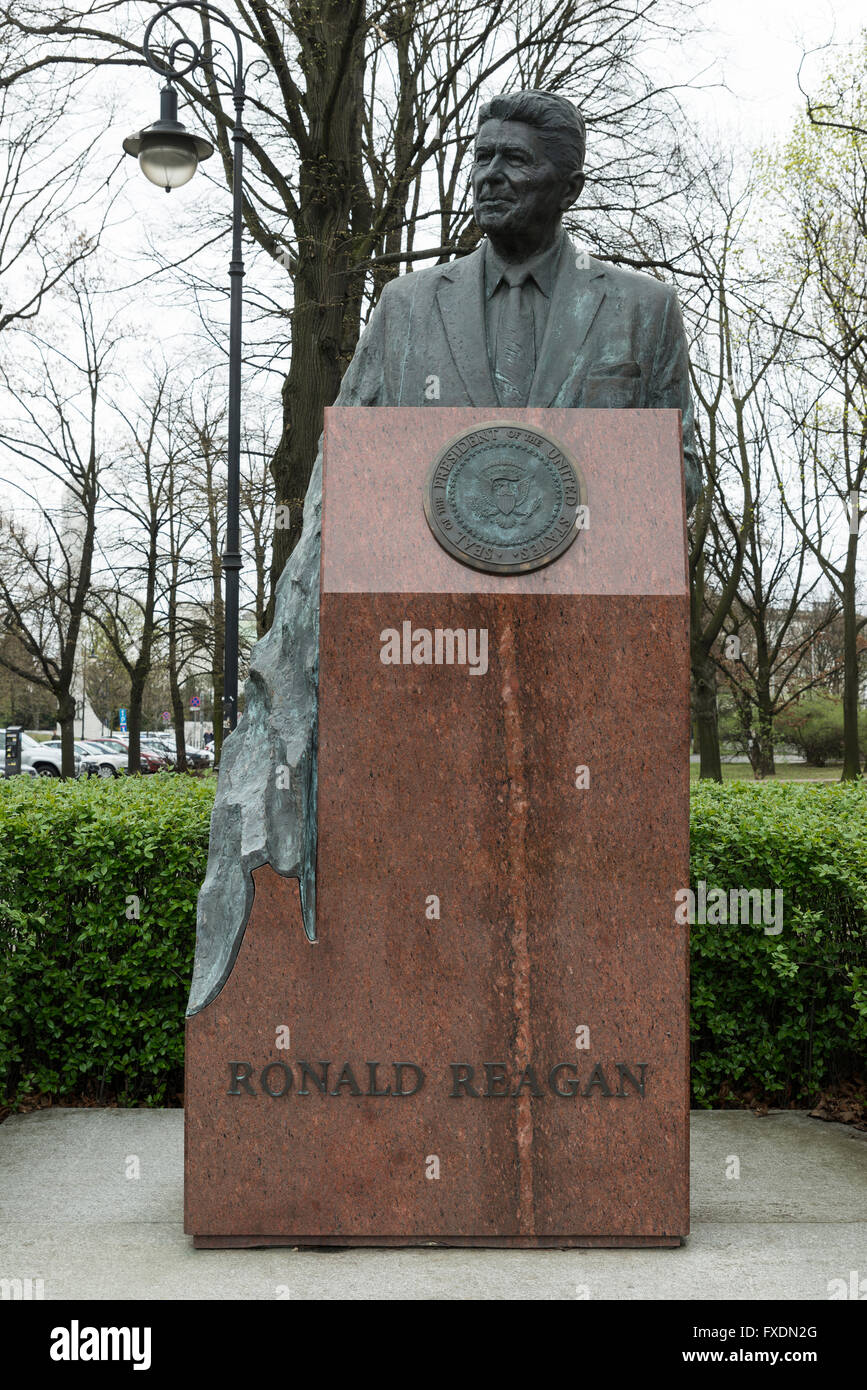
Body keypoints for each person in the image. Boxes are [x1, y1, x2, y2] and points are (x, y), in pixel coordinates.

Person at [188, 89, 699, 1016]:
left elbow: (681, 477)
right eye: (481, 157)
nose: (489, 175)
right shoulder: (405, 307)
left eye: (516, 161)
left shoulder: (641, 310)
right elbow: (345, 464)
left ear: (569, 183)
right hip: (417, 658)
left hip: (580, 654)